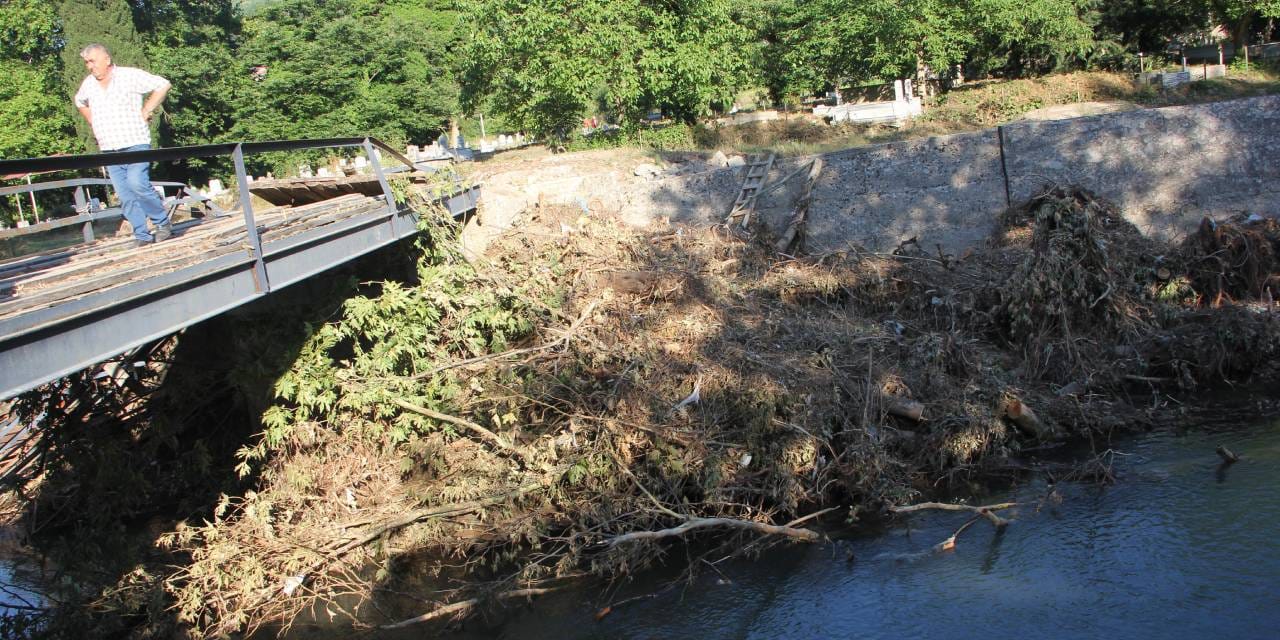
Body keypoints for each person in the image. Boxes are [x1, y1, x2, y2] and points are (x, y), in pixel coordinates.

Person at [73, 44, 173, 247]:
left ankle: (162, 223)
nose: (89, 66)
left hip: (134, 142)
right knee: (125, 194)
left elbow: (163, 84)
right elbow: (79, 101)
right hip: (109, 148)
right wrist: (93, 121)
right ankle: (142, 235)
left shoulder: (128, 75)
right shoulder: (89, 84)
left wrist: (146, 109)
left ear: (107, 60)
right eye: (86, 63)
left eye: (92, 61)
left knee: (138, 183)